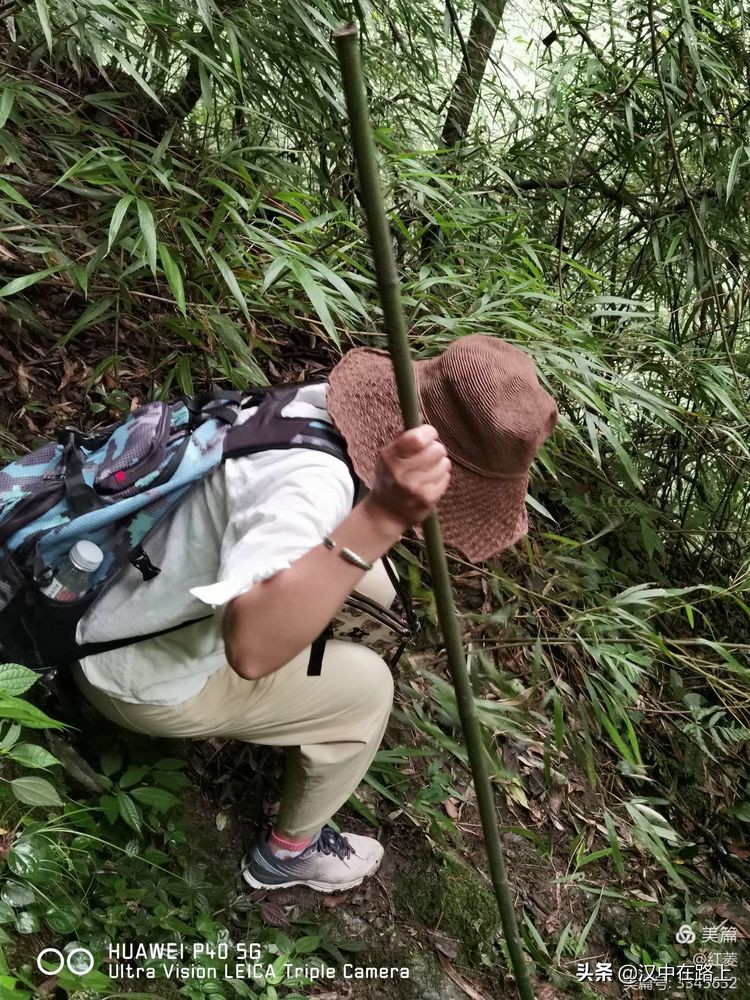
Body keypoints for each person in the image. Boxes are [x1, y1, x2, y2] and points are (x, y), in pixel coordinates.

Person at [72, 334, 558, 893]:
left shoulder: (312, 405)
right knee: (370, 689)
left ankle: (306, 657)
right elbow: (251, 649)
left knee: (378, 589)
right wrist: (381, 516)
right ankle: (288, 854)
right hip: (126, 668)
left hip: (115, 577)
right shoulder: (311, 487)